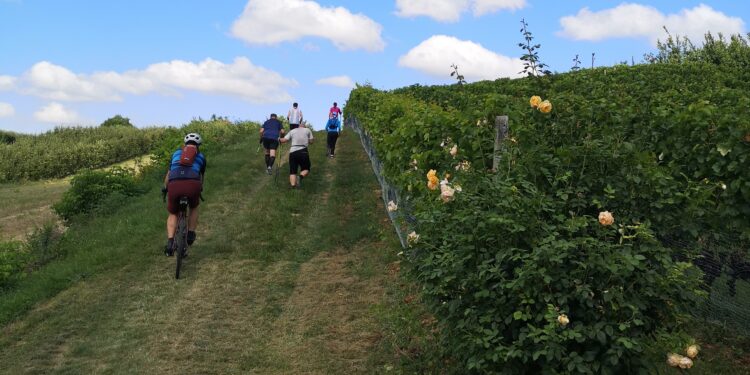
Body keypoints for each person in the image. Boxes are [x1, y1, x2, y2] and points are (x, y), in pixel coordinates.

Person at [162, 133, 206, 256]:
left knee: (173, 213)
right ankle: (191, 233)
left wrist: (165, 188)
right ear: (198, 146)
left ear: (184, 144)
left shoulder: (176, 154)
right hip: (193, 184)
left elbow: (169, 174)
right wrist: (199, 189)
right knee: (193, 207)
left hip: (174, 184)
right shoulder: (201, 157)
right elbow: (201, 177)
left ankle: (170, 243)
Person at [279, 123, 314, 188]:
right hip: (303, 151)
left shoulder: (292, 131)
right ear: (304, 126)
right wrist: (308, 140)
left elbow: (284, 140)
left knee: (293, 170)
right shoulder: (307, 130)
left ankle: (293, 187)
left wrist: (279, 139)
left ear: (298, 126)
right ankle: (300, 177)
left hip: (293, 152)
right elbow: (311, 141)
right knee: (306, 168)